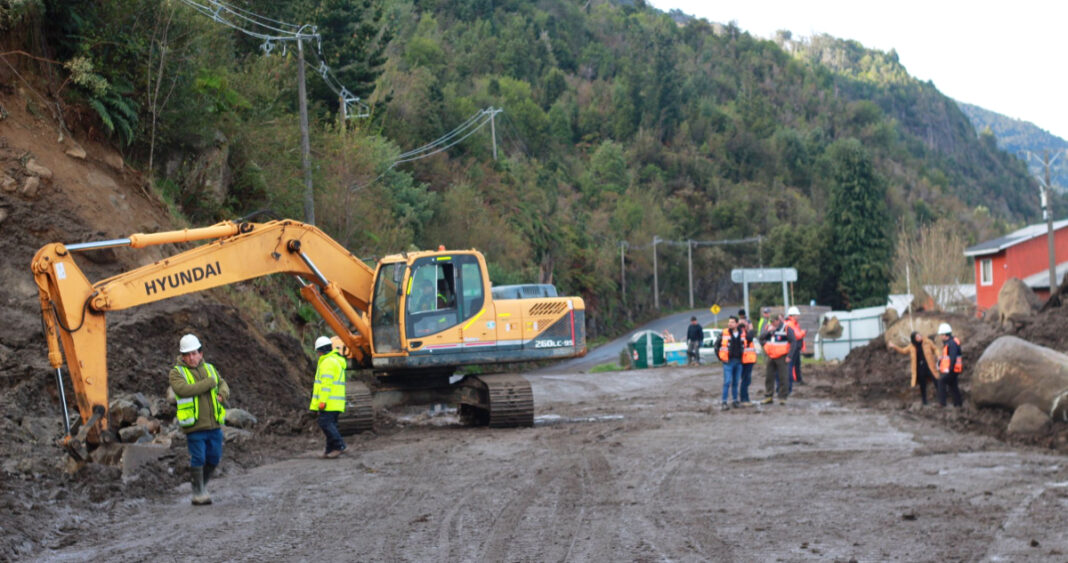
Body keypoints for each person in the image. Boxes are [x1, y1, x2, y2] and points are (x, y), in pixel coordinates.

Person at [169, 333, 229, 506]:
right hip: (194, 425)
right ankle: (198, 491)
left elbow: (222, 383)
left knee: (214, 457)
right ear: (182, 356)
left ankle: (201, 484)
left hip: (214, 424)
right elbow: (183, 390)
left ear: (201, 353)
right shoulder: (176, 373)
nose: (191, 357)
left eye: (194, 353)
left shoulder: (210, 369)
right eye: (187, 354)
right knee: (199, 458)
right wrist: (209, 383)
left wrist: (222, 394)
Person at [311, 335, 348, 458]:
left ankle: (339, 445)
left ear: (320, 351)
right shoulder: (335, 360)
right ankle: (329, 450)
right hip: (335, 403)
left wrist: (322, 401)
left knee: (325, 423)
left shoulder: (328, 363)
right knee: (330, 424)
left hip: (329, 402)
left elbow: (326, 385)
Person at [888, 331, 940, 405]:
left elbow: (935, 349)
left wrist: (938, 356)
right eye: (917, 337)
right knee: (923, 384)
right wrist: (894, 346)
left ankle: (941, 398)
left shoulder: (927, 342)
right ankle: (924, 401)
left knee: (936, 380)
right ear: (914, 339)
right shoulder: (911, 346)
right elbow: (903, 351)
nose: (920, 337)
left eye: (920, 335)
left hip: (929, 366)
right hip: (919, 368)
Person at [760, 314, 796, 405]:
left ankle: (782, 397)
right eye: (770, 322)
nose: (772, 323)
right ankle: (769, 396)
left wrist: (789, 356)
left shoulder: (786, 328)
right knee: (769, 377)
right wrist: (768, 334)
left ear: (778, 321)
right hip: (771, 356)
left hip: (782, 356)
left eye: (773, 322)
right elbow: (760, 338)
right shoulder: (768, 328)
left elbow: (793, 342)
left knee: (783, 377)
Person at [718, 316, 746, 410]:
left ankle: (735, 401)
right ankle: (724, 402)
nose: (730, 324)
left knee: (736, 382)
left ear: (737, 324)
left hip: (738, 362)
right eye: (729, 322)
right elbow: (717, 345)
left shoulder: (742, 333)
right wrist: (721, 357)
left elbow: (747, 341)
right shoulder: (724, 332)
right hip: (728, 362)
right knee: (727, 382)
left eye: (732, 322)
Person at [936, 323, 963, 408]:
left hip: (952, 369)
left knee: (941, 382)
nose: (940, 336)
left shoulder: (951, 343)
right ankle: (958, 403)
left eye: (941, 335)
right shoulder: (951, 342)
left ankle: (942, 403)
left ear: (945, 335)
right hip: (954, 369)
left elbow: (953, 357)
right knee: (953, 386)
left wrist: (950, 368)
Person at [737, 309, 756, 405]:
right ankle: (744, 399)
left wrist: (749, 328)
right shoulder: (738, 333)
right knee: (745, 379)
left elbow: (751, 337)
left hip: (749, 359)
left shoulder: (748, 332)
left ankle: (745, 398)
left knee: (747, 380)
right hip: (743, 359)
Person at [785, 306, 807, 388]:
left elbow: (799, 335)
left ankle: (798, 379)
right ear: (792, 316)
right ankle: (791, 380)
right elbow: (796, 335)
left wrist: (802, 345)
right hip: (792, 347)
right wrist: (803, 333)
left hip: (797, 347)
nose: (798, 316)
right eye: (797, 315)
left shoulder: (796, 324)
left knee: (797, 364)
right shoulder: (790, 324)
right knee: (791, 364)